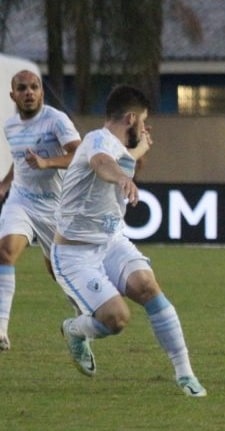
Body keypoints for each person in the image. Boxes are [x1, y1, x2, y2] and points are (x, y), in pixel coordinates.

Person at [52, 84, 207, 397]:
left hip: (111, 242)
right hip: (75, 254)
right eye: (143, 120)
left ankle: (185, 373)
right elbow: (101, 163)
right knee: (117, 318)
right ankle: (75, 329)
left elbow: (122, 158)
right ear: (131, 118)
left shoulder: (122, 148)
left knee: (149, 287)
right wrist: (123, 176)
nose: (146, 127)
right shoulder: (98, 139)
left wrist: (137, 152)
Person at [0, 70, 81, 352]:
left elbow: (80, 155)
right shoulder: (10, 126)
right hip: (21, 199)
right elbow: (20, 160)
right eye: (22, 88)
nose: (29, 92)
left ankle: (82, 318)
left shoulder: (56, 120)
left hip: (55, 206)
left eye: (34, 87)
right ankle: (1, 328)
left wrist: (48, 164)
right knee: (5, 250)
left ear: (42, 93)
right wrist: (6, 183)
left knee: (58, 271)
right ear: (13, 95)